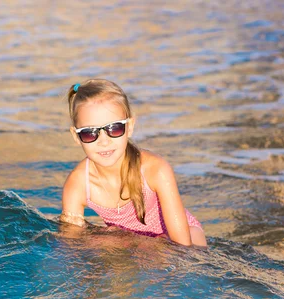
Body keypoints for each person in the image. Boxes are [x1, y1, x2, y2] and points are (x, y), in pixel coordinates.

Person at [60, 79, 207, 247]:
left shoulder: (155, 169)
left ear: (129, 127)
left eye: (114, 129)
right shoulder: (78, 184)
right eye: (90, 133)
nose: (104, 141)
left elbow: (183, 243)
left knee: (164, 248)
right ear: (76, 136)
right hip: (133, 242)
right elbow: (70, 242)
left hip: (183, 235)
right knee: (102, 241)